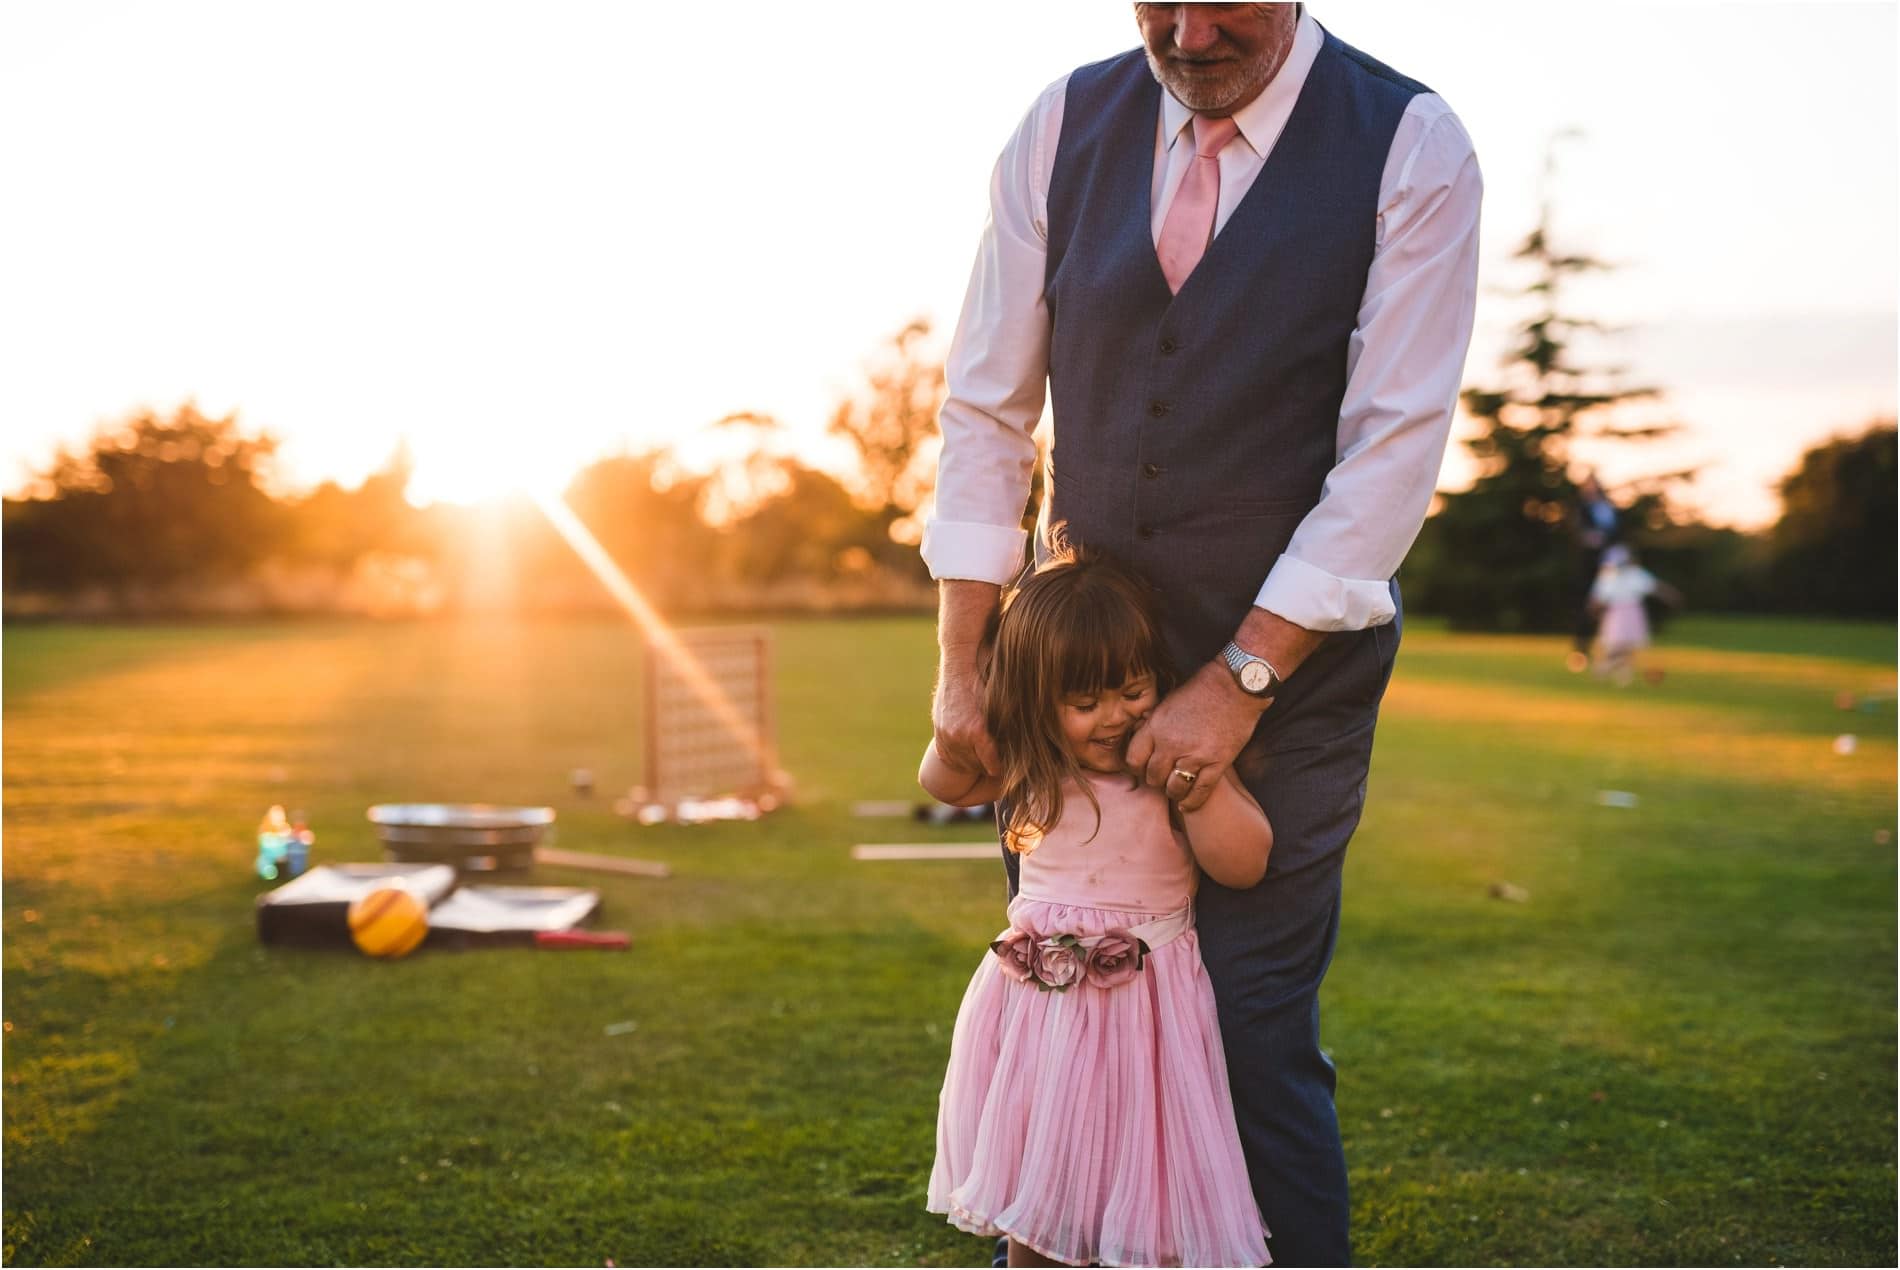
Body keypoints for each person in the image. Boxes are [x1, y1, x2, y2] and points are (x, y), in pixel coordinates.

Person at [922, 5, 1481, 1263]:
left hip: (1293, 675)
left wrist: (1239, 679)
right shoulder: (1059, 126)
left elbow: (1392, 447)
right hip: (1069, 677)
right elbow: (985, 409)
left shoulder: (1409, 144)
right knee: (1074, 1014)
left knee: (1247, 1032)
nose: (1186, 31)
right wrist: (965, 667)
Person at [921, 543, 1274, 1268]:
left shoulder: (1173, 768)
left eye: (1133, 690)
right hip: (1042, 1021)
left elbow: (1245, 864)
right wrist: (980, 707)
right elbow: (943, 782)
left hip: (1145, 1022)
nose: (1114, 717)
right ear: (1037, 703)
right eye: (1084, 704)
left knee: (1144, 1183)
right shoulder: (1035, 767)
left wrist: (1197, 790)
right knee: (1039, 1173)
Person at [1589, 544, 1681, 685]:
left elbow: (1654, 586)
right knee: (1618, 646)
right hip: (1617, 614)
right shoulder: (1610, 575)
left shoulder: (1634, 574)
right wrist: (1594, 609)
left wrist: (1670, 595)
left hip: (1630, 612)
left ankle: (1623, 677)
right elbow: (1599, 597)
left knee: (1628, 647)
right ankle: (1605, 668)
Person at [1567, 473, 1622, 672]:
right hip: (1588, 565)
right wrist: (1589, 539)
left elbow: (1618, 534)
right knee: (1586, 607)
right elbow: (1577, 532)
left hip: (1609, 564)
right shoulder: (1581, 509)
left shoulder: (1610, 508)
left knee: (1610, 607)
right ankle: (1581, 650)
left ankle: (1612, 650)